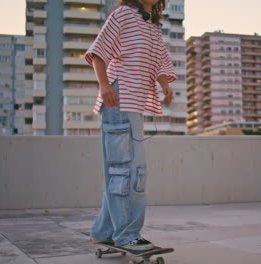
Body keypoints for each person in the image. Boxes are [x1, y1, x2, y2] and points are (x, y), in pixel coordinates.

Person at [84, 0, 176, 251]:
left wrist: (164, 84)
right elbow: (98, 52)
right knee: (128, 170)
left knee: (123, 168)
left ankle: (104, 232)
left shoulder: (153, 26)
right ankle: (127, 236)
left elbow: (159, 62)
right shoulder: (123, 14)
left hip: (134, 103)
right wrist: (103, 86)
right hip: (119, 95)